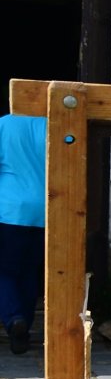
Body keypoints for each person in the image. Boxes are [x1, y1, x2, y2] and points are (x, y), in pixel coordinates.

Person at [0, 113, 49, 356]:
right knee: (29, 273)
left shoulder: (4, 124)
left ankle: (13, 319)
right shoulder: (51, 125)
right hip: (43, 211)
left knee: (5, 271)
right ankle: (22, 335)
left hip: (9, 210)